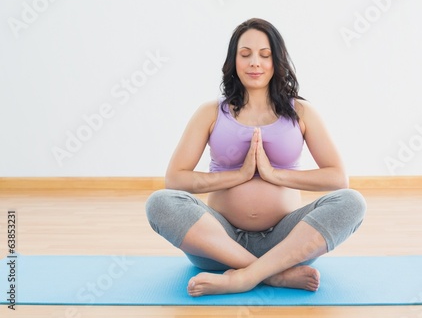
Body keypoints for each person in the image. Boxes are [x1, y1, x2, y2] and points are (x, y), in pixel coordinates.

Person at [145, 18, 366, 297]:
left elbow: (337, 178)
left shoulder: (302, 113)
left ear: (277, 61)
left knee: (352, 202)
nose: (254, 63)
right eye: (245, 54)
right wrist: (238, 176)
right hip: (218, 244)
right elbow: (175, 179)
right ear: (233, 61)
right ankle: (273, 275)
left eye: (265, 55)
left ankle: (245, 277)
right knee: (160, 203)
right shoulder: (211, 112)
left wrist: (275, 175)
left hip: (285, 243)